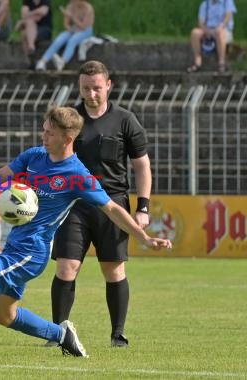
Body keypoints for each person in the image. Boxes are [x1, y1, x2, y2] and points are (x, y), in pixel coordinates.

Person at [0, 106, 172, 357]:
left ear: (67, 138)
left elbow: (112, 209)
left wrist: (143, 237)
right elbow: (5, 172)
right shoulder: (34, 156)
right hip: (15, 246)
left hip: (31, 252)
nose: (43, 136)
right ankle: (61, 334)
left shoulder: (77, 175)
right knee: (3, 316)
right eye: (43, 129)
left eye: (49, 133)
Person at [48, 60, 152, 349]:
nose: (91, 94)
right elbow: (52, 158)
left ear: (108, 86)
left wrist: (143, 207)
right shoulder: (69, 119)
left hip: (112, 205)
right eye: (85, 88)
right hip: (74, 205)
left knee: (114, 270)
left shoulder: (125, 120)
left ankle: (117, 334)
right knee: (66, 267)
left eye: (96, 88)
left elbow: (142, 166)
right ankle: (58, 333)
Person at [35, 0, 94, 72]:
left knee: (73, 40)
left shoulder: (88, 8)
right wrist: (70, 29)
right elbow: (66, 25)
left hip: (85, 30)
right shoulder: (70, 6)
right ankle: (43, 61)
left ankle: (62, 62)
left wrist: (72, 17)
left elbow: (84, 26)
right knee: (59, 40)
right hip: (74, 28)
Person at [187, 0, 237, 73]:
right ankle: (197, 61)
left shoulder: (227, 1)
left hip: (224, 29)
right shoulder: (205, 4)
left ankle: (221, 63)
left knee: (220, 33)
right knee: (195, 33)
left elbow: (228, 15)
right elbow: (201, 22)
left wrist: (220, 26)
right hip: (209, 29)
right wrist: (207, 31)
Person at [15, 0, 53, 68]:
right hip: (31, 30)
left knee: (28, 25)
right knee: (24, 32)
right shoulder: (27, 2)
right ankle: (30, 56)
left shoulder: (45, 1)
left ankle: (30, 50)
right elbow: (24, 15)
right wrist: (36, 12)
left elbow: (42, 13)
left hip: (44, 29)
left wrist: (26, 17)